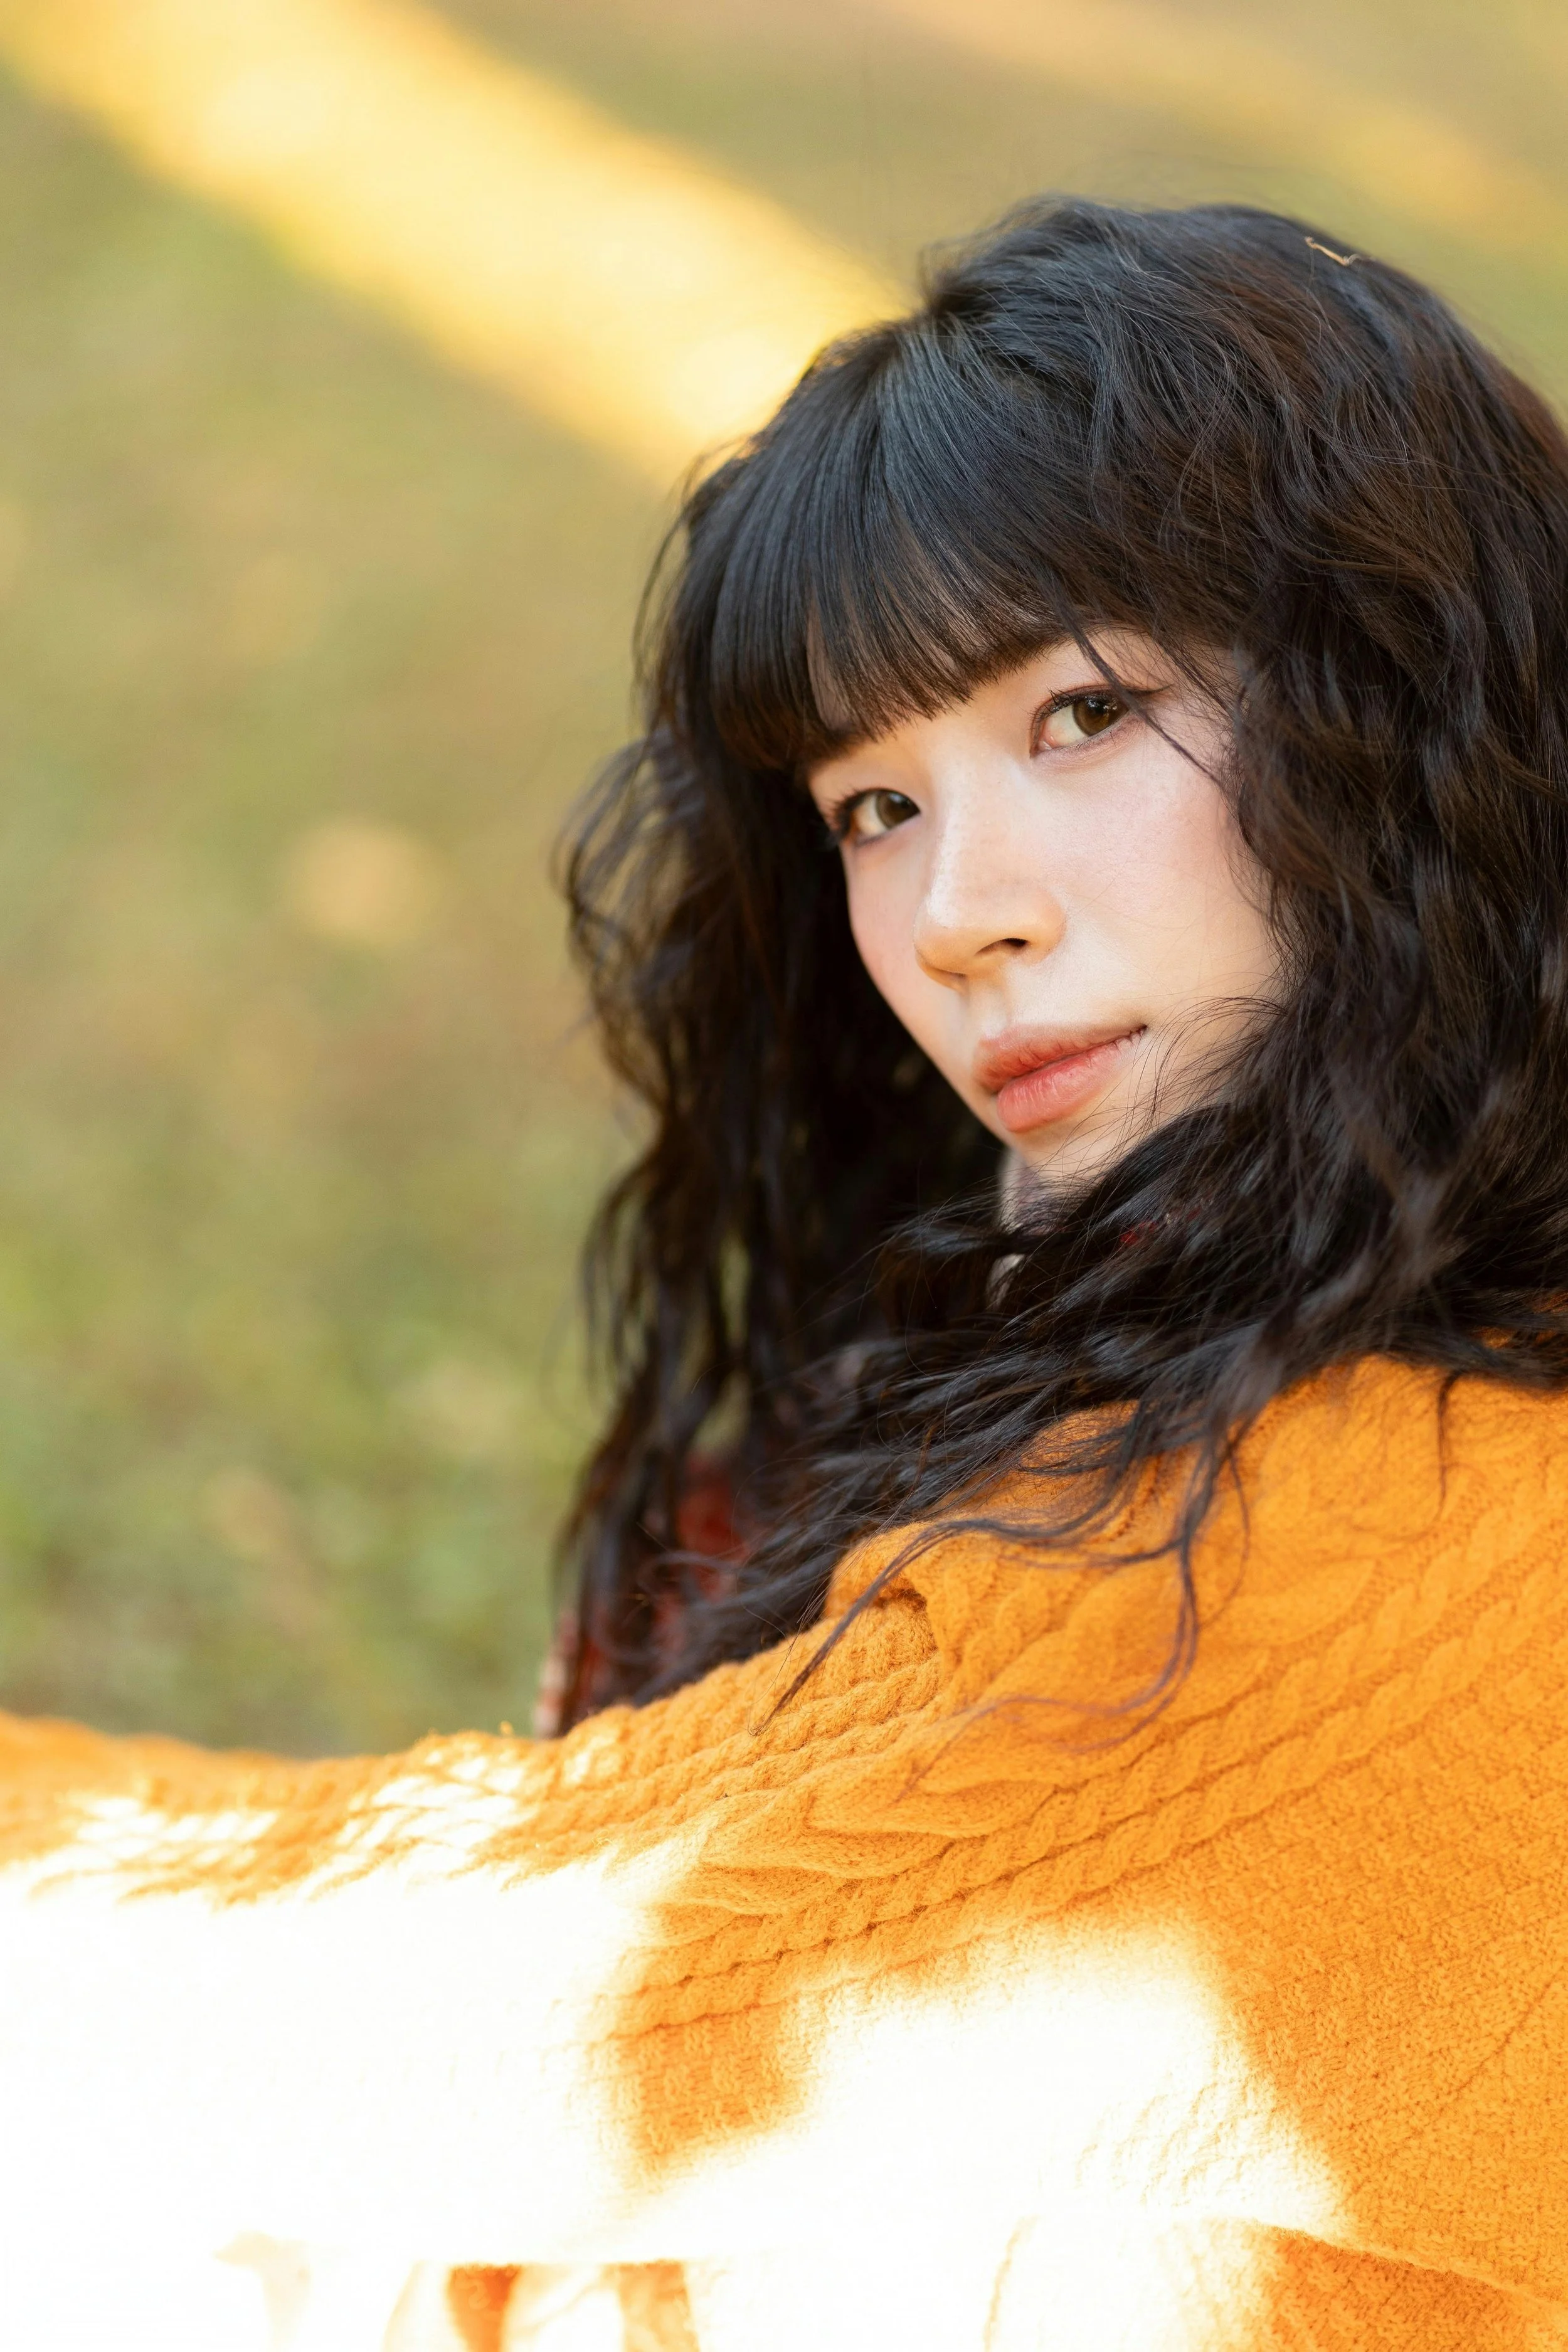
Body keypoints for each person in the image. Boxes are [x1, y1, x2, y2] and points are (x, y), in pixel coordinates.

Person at [4, 196, 1568, 2350]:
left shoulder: (1311, 1537)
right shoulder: (1411, 1357)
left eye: (1086, 711)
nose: (956, 916)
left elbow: (477, 2024)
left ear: (1395, 699)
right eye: (868, 807)